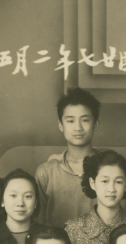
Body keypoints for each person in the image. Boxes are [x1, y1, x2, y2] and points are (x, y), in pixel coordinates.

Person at [35, 87, 101, 228]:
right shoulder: (46, 171)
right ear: (61, 125)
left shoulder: (110, 167)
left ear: (95, 124)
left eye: (85, 120)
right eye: (70, 121)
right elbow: (38, 223)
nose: (78, 127)